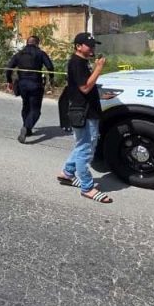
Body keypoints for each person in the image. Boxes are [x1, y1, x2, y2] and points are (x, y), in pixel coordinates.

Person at [56, 33, 111, 203]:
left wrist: (100, 95)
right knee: (86, 149)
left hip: (86, 109)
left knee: (82, 146)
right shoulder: (77, 62)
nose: (93, 48)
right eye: (89, 45)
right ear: (78, 46)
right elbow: (85, 87)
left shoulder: (81, 62)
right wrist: (99, 68)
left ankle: (67, 174)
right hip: (84, 113)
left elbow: (85, 88)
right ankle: (87, 188)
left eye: (94, 45)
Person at [5, 35, 55, 143]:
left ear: (27, 43)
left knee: (26, 106)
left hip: (22, 84)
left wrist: (9, 81)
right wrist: (51, 79)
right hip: (35, 84)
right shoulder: (40, 53)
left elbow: (9, 68)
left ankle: (27, 128)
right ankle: (27, 127)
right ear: (37, 44)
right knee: (35, 110)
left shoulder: (19, 54)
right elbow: (50, 67)